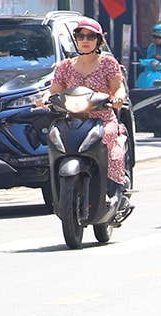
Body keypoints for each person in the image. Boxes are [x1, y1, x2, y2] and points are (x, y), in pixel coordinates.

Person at [43, 18, 128, 198]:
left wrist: (119, 97)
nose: (85, 40)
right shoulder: (65, 66)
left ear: (99, 40)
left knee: (108, 140)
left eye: (90, 36)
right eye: (81, 36)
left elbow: (118, 87)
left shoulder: (108, 64)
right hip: (73, 120)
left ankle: (114, 188)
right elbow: (54, 90)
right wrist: (43, 99)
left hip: (102, 119)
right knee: (55, 139)